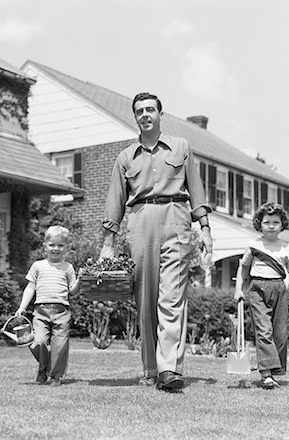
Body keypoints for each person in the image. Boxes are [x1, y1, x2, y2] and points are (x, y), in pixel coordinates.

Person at [100, 92, 213, 390]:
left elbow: (197, 189)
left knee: (172, 296)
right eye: (139, 111)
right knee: (146, 297)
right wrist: (107, 243)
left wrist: (205, 228)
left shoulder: (182, 147)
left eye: (151, 109)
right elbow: (115, 200)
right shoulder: (125, 157)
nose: (145, 114)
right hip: (140, 220)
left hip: (176, 216)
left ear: (161, 114)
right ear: (135, 117)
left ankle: (169, 369)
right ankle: (151, 368)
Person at [234, 202, 289, 390]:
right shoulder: (254, 245)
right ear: (259, 223)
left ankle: (275, 370)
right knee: (263, 330)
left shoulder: (286, 248)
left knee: (280, 333)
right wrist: (238, 289)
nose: (270, 225)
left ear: (282, 225)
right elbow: (243, 268)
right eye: (266, 221)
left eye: (275, 222)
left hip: (279, 289)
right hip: (257, 288)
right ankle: (266, 375)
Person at [16, 225, 83, 386]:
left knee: (60, 346)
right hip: (41, 311)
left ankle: (56, 377)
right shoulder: (38, 266)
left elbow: (73, 291)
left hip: (62, 311)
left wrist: (81, 279)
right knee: (38, 342)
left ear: (66, 247)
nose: (56, 248)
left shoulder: (68, 267)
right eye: (52, 244)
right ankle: (43, 368)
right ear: (44, 245)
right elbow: (30, 287)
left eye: (60, 245)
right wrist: (22, 307)